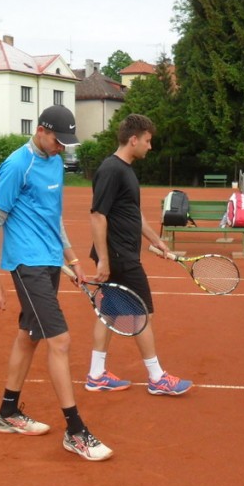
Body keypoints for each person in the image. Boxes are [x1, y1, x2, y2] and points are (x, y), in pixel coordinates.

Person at [0, 104, 112, 461]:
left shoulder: (55, 161)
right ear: (41, 131)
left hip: (51, 261)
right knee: (60, 340)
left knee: (30, 335)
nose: (61, 148)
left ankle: (7, 412)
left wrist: (72, 259)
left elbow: (53, 217)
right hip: (27, 264)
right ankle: (76, 431)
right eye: (57, 140)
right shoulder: (17, 165)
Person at [85, 113, 192, 396]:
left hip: (121, 254)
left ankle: (96, 374)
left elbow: (134, 215)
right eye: (147, 140)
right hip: (119, 257)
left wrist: (157, 241)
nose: (150, 146)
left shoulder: (126, 170)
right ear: (133, 140)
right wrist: (104, 260)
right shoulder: (112, 170)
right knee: (143, 313)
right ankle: (157, 378)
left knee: (109, 313)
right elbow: (97, 215)